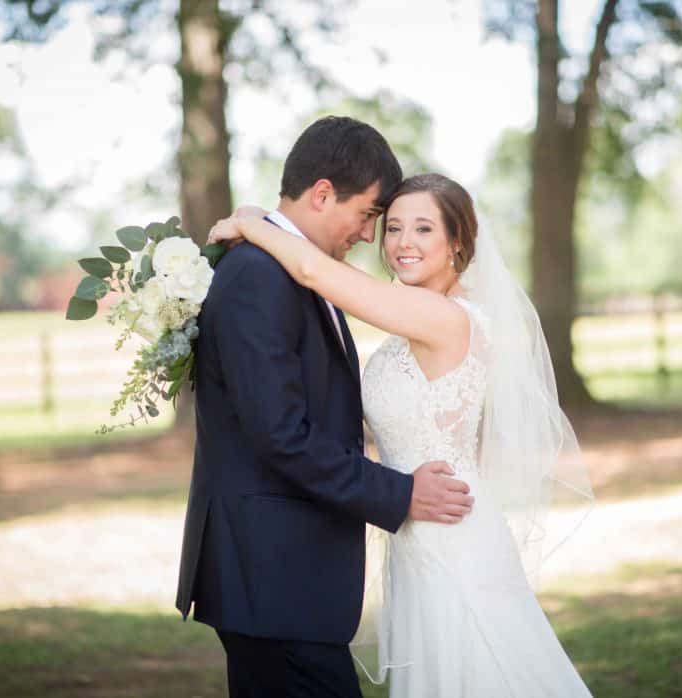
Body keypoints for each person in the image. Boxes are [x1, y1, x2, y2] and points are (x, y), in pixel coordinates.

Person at [210, 172, 595, 696]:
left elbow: (309, 268)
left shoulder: (445, 317)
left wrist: (249, 223)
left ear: (457, 242)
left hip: (451, 534)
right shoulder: (411, 321)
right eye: (392, 228)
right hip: (416, 533)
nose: (403, 243)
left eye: (423, 229)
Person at [175, 117, 475, 698]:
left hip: (291, 579)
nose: (371, 236)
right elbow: (282, 434)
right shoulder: (259, 276)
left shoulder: (289, 270)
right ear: (320, 194)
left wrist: (254, 221)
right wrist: (401, 492)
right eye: (370, 215)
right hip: (271, 576)